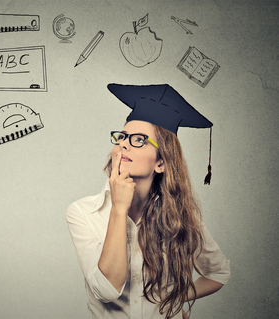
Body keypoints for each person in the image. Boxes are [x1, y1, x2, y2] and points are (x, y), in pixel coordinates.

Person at [66, 84, 230, 319]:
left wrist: (173, 298)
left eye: (139, 140)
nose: (123, 143)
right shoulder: (83, 212)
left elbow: (218, 274)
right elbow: (106, 290)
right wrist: (119, 210)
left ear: (161, 163)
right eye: (121, 137)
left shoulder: (181, 216)